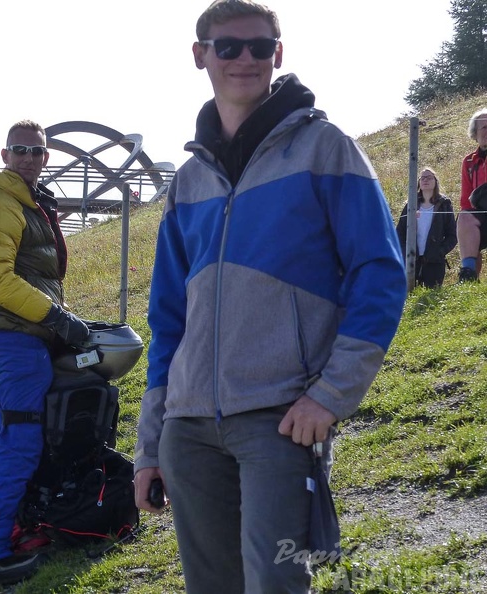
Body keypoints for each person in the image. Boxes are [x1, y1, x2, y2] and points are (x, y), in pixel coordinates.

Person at [132, 2, 407, 593]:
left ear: (277, 54)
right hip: (188, 430)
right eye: (228, 47)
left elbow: (380, 274)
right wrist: (151, 444)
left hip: (281, 422)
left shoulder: (326, 148)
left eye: (259, 46)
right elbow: (168, 322)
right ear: (200, 55)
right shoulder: (187, 182)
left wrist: (330, 395)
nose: (245, 58)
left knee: (276, 585)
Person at [0, 120, 89, 591]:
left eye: (37, 151)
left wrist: (56, 321)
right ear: (5, 155)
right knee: (20, 444)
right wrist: (57, 318)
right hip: (18, 340)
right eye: (20, 150)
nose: (29, 158)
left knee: (8, 440)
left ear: (46, 157)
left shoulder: (26, 202)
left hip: (29, 338)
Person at [396, 167, 457, 288]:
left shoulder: (444, 204)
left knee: (432, 295)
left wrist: (440, 252)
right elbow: (399, 234)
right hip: (411, 262)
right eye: (422, 178)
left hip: (435, 263)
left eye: (429, 177)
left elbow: (452, 235)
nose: (425, 180)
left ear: (436, 181)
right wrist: (406, 253)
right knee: (410, 295)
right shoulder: (411, 205)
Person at [455, 108, 487, 281]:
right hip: (482, 213)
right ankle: (468, 275)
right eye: (484, 127)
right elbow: (466, 198)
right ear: (475, 134)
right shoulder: (468, 161)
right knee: (465, 217)